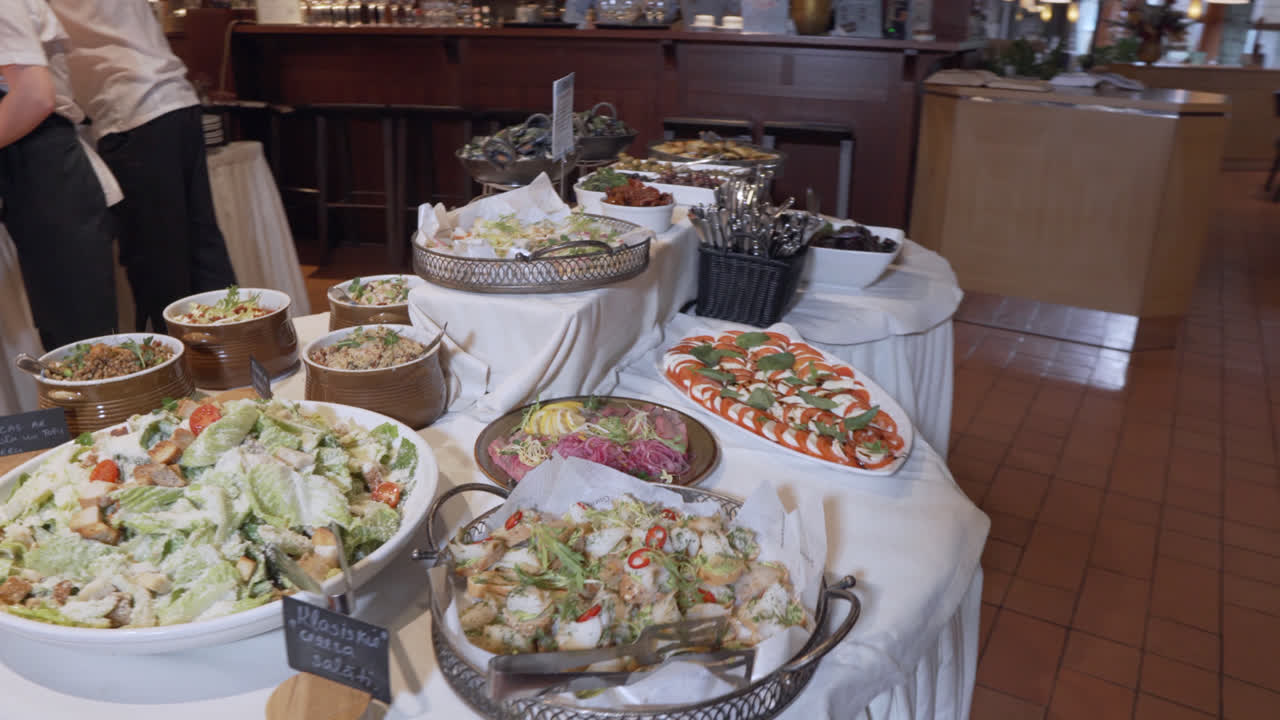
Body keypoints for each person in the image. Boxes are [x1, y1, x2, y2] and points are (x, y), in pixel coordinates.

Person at [48, 0, 237, 333]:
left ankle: (175, 359)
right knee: (202, 248)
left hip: (130, 110)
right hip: (176, 100)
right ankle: (235, 349)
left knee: (157, 263)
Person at [0, 0, 117, 351]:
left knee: (83, 345)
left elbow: (34, 97)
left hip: (46, 169)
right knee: (62, 338)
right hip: (30, 169)